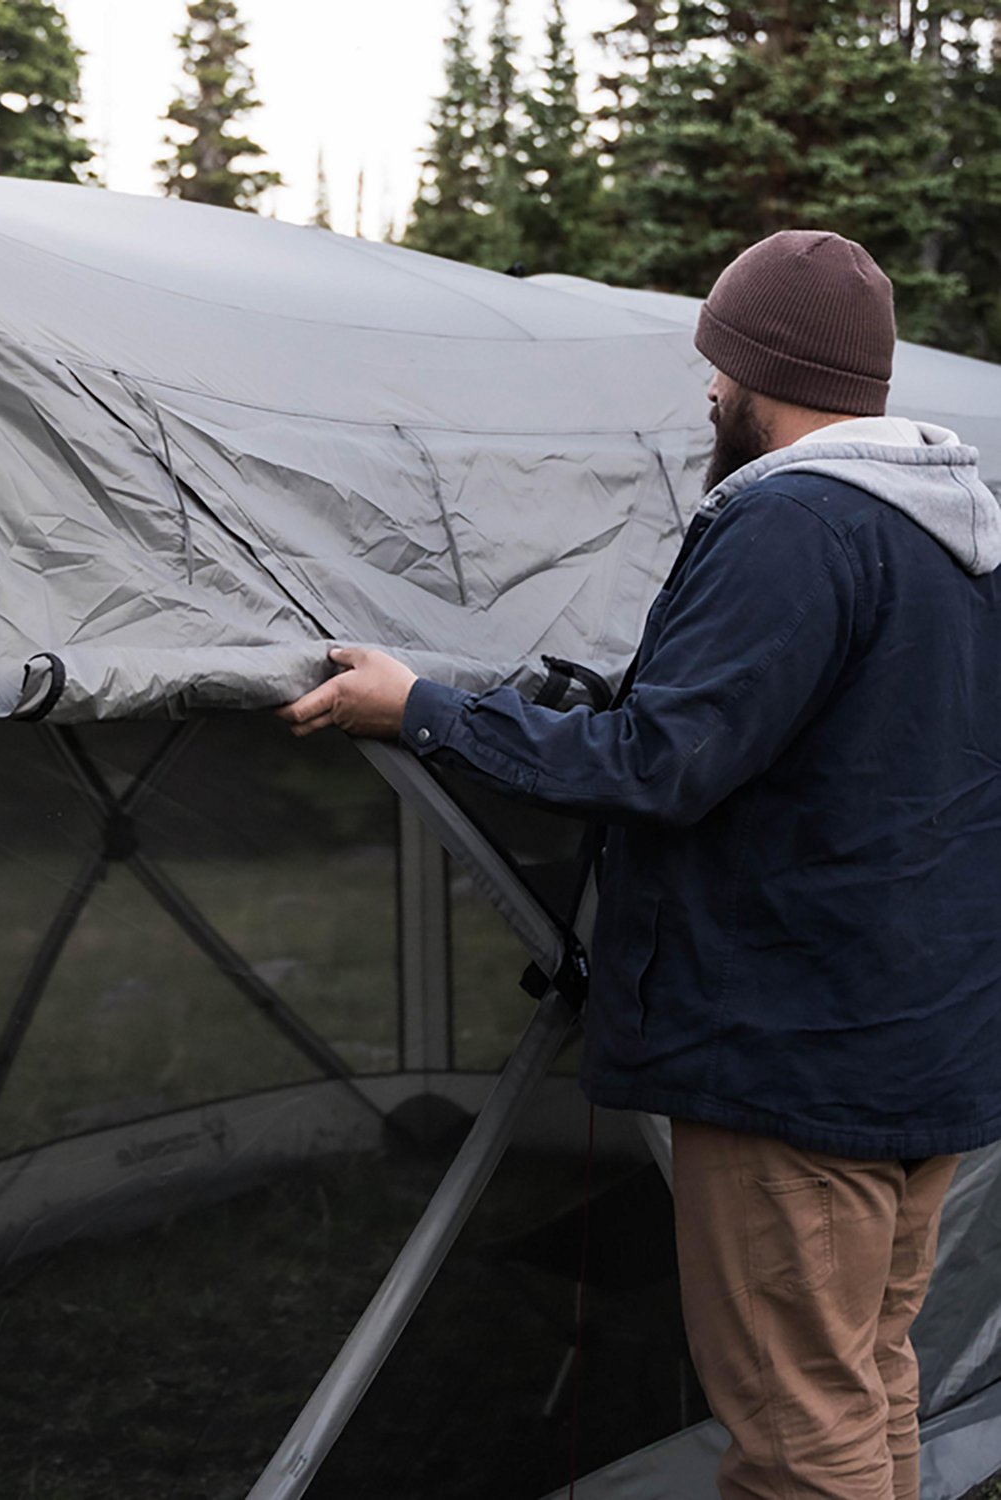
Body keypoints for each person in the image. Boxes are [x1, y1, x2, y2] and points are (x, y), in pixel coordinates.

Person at [275, 230, 1001, 1500]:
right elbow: (830, 747)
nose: (707, 393)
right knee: (868, 1382)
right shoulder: (952, 536)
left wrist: (423, 708)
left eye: (716, 367)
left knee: (797, 1433)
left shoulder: (795, 522)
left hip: (796, 1065)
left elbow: (663, 764)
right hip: (915, 1049)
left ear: (756, 369)